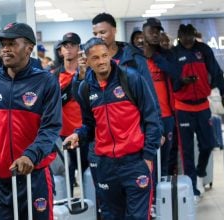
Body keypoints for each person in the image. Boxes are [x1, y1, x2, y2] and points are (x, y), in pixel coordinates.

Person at [64, 37, 161, 220]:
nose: (101, 61)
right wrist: (78, 135)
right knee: (111, 216)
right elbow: (90, 126)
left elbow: (152, 118)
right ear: (87, 60)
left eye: (104, 55)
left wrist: (148, 156)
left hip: (135, 162)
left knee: (138, 217)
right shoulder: (85, 89)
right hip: (105, 165)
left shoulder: (130, 78)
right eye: (95, 58)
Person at [0, 22, 62, 219]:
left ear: (29, 48)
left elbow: (50, 128)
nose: (5, 49)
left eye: (11, 44)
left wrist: (30, 156)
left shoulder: (46, 82)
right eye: (2, 45)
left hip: (34, 178)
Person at [171, 24, 224, 202]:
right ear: (179, 36)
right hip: (183, 108)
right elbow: (172, 80)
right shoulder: (174, 53)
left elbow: (216, 72)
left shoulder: (203, 50)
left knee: (208, 144)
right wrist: (182, 81)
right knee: (187, 150)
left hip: (203, 106)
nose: (188, 39)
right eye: (184, 35)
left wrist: (223, 93)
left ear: (193, 35)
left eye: (190, 35)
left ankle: (201, 170)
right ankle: (192, 187)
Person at [142, 18, 178, 216]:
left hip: (167, 116)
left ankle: (161, 197)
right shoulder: (136, 58)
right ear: (143, 32)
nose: (155, 34)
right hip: (147, 119)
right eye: (151, 31)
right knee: (148, 159)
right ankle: (150, 198)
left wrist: (158, 57)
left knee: (165, 159)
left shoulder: (166, 56)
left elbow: (176, 73)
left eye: (158, 31)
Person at [54, 32, 89, 193]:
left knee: (88, 176)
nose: (68, 49)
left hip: (85, 133)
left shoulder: (89, 74)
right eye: (65, 46)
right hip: (62, 135)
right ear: (60, 51)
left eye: (72, 46)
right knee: (65, 176)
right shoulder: (53, 76)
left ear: (78, 49)